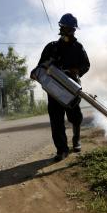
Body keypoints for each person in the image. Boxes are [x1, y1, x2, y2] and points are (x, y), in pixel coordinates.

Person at [30, 13, 90, 161]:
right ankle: (61, 150)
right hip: (54, 90)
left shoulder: (78, 47)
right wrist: (36, 72)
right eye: (67, 28)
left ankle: (76, 140)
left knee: (75, 117)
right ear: (61, 28)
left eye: (72, 29)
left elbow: (86, 65)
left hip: (72, 89)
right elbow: (40, 66)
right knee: (56, 121)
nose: (70, 31)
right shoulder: (51, 47)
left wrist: (77, 70)